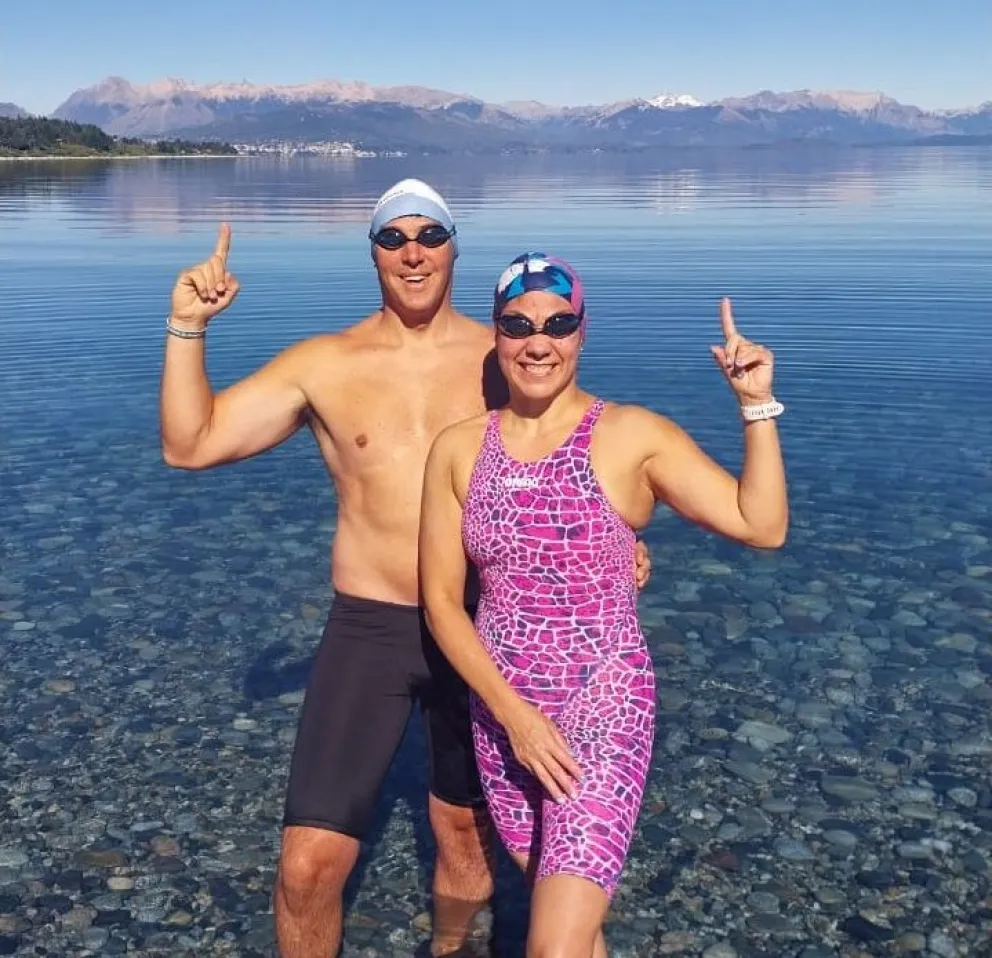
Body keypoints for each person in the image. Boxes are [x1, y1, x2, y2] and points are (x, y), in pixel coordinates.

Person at [160, 184, 650, 957]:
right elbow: (190, 444)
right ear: (374, 251)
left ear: (456, 244)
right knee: (307, 865)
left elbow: (584, 452)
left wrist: (617, 541)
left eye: (429, 234)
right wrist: (187, 326)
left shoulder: (506, 355)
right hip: (371, 627)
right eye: (393, 237)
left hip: (487, 627)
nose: (412, 251)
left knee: (462, 833)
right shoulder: (325, 363)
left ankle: (448, 947)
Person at [419, 252, 788, 958]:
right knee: (577, 931)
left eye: (559, 323)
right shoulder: (459, 449)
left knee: (552, 944)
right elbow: (441, 603)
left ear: (583, 333)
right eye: (518, 324)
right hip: (505, 717)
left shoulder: (630, 436)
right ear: (496, 336)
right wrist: (514, 718)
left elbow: (760, 524)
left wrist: (754, 405)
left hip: (603, 707)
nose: (538, 341)